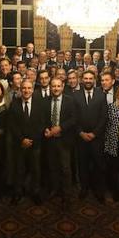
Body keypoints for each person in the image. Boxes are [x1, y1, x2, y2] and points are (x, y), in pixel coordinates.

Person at [9, 80, 49, 205]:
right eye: (24, 88)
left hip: (35, 143)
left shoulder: (40, 103)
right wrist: (22, 139)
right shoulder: (14, 103)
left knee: (35, 169)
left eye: (28, 88)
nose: (26, 91)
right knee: (19, 169)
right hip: (20, 143)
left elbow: (42, 123)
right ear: (20, 89)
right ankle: (18, 193)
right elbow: (12, 125)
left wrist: (32, 139)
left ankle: (35, 192)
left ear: (32, 89)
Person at [73, 71, 107, 203]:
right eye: (85, 78)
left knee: (99, 165)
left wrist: (94, 133)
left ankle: (99, 190)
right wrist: (81, 133)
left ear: (94, 80)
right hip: (80, 138)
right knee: (83, 165)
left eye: (90, 78)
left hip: (96, 138)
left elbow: (104, 117)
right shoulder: (75, 95)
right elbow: (73, 117)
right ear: (81, 80)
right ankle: (84, 188)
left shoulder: (101, 94)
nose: (88, 80)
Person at [44, 77, 76, 208]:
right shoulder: (45, 101)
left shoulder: (70, 101)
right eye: (53, 86)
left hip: (64, 140)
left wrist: (60, 127)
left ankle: (67, 195)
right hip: (50, 140)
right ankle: (55, 190)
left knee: (65, 168)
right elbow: (42, 118)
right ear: (50, 87)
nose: (56, 88)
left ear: (62, 87)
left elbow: (74, 119)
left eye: (58, 86)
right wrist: (45, 129)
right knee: (52, 167)